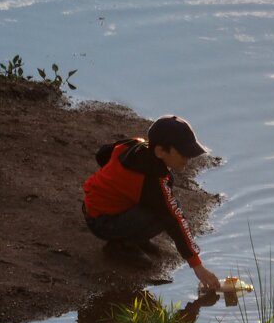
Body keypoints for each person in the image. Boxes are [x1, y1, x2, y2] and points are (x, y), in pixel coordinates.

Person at [82, 114, 221, 292]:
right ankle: (121, 245)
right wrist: (198, 266)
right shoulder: (154, 180)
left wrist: (115, 181)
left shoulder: (134, 144)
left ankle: (131, 236)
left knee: (160, 205)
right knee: (166, 211)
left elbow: (103, 153)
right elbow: (175, 220)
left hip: (91, 207)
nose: (188, 158)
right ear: (160, 151)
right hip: (102, 222)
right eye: (183, 153)